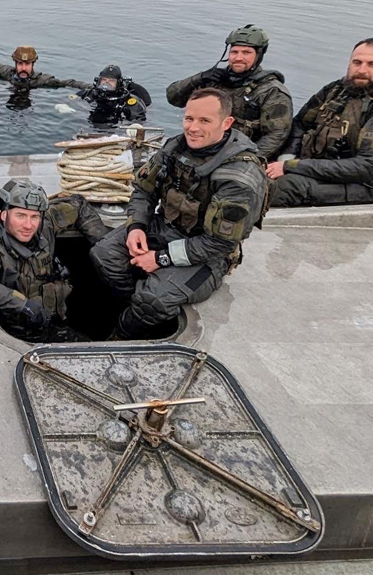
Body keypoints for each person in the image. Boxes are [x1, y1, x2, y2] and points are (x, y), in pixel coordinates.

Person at [90, 88, 268, 339]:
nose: (193, 128)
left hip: (208, 255)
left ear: (226, 123)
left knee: (152, 300)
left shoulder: (239, 177)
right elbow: (143, 190)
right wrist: (136, 226)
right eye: (189, 119)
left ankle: (120, 336)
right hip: (165, 227)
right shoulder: (175, 148)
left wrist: (160, 258)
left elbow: (219, 243)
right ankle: (133, 309)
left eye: (204, 121)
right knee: (104, 255)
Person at [266, 38, 373, 207]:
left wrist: (291, 166)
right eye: (357, 62)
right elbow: (300, 124)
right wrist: (287, 157)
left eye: (372, 64)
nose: (362, 70)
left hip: (370, 185)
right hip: (325, 170)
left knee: (283, 188)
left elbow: (367, 166)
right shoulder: (336, 90)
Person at [0, 179, 107, 343]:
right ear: (4, 214)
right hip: (17, 336)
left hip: (54, 325)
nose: (28, 225)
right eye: (20, 216)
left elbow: (78, 205)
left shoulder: (44, 227)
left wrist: (103, 249)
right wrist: (20, 303)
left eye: (34, 217)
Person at [165, 24, 292, 160]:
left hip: (241, 154)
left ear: (258, 55)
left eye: (246, 53)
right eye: (234, 52)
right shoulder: (214, 78)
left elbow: (277, 134)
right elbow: (173, 98)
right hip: (204, 146)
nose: (238, 57)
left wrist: (247, 159)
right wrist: (199, 78)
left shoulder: (272, 91)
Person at [0, 46, 91, 91]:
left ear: (33, 64)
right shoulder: (8, 73)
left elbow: (68, 83)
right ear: (15, 64)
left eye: (27, 64)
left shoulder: (41, 80)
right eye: (20, 64)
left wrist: (91, 87)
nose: (23, 68)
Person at [77, 64, 152, 125]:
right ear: (98, 81)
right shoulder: (89, 94)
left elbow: (139, 121)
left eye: (111, 81)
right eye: (104, 80)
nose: (106, 83)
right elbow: (72, 101)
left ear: (118, 83)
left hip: (116, 131)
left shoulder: (128, 101)